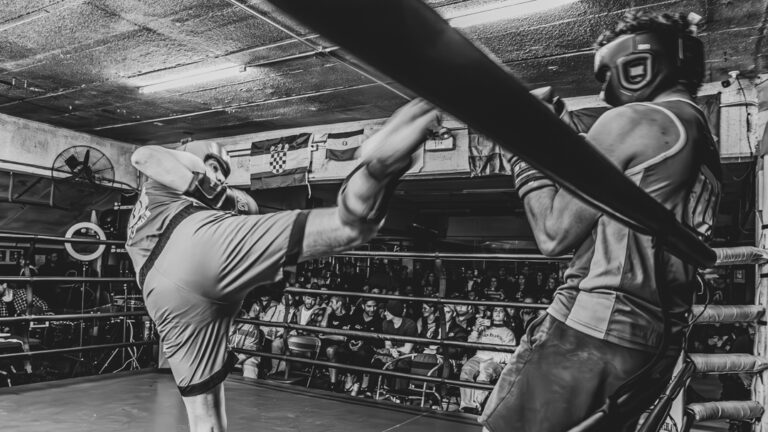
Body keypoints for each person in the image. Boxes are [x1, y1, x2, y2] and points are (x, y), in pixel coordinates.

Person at [125, 99, 438, 432]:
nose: (219, 177)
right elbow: (142, 156)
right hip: (191, 239)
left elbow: (246, 210)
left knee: (206, 415)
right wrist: (210, 189)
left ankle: (380, 164)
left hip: (166, 297)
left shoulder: (168, 206)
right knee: (350, 226)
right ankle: (374, 166)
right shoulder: (187, 166)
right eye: (215, 168)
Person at [479, 12, 721, 432]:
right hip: (654, 347)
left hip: (589, 332)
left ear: (638, 64)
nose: (606, 92)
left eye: (609, 74)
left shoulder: (635, 120)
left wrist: (520, 149)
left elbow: (554, 234)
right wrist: (552, 137)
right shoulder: (700, 137)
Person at [460, 307, 515, 415]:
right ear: (491, 314)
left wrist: (493, 358)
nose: (498, 313)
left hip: (496, 361)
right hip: (478, 357)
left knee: (485, 373)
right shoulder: (484, 328)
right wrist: (476, 329)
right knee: (466, 370)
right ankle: (467, 406)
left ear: (505, 315)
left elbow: (508, 356)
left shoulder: (509, 333)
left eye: (501, 311)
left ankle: (476, 406)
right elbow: (470, 344)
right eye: (495, 310)